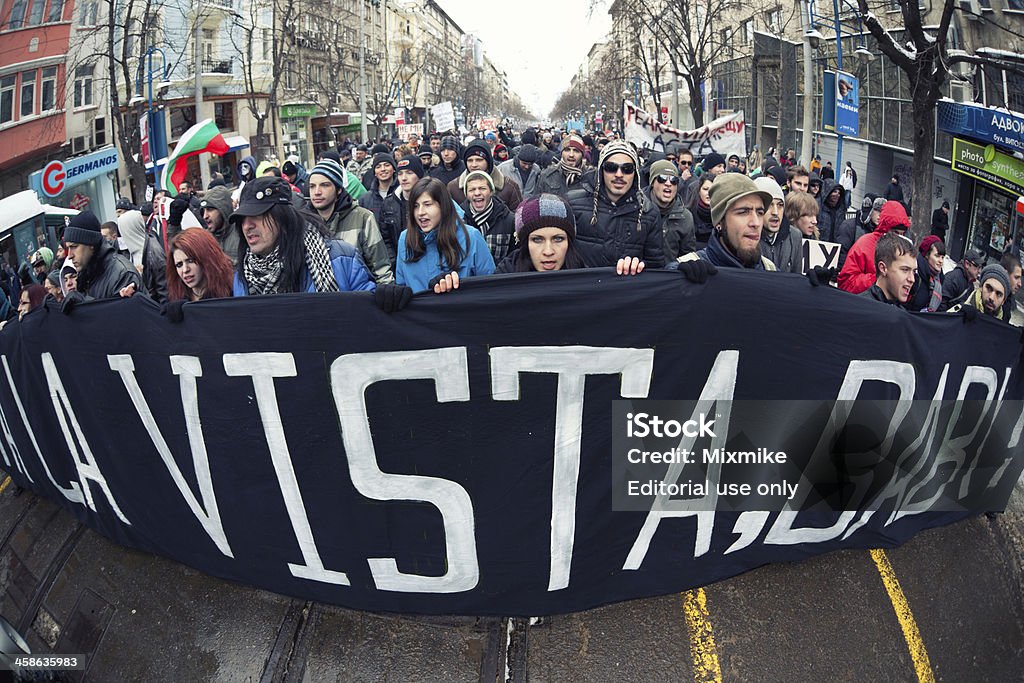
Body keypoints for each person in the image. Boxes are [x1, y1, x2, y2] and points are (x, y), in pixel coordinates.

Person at [231, 177, 376, 296]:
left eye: (257, 216)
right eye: (242, 218)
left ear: (282, 218)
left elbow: (367, 313)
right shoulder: (242, 275)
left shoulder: (340, 259)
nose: (247, 226)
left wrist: (384, 299)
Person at [566, 140, 664, 268]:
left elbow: (656, 265)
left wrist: (639, 266)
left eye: (627, 169)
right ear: (601, 170)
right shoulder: (573, 204)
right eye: (611, 168)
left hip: (626, 286)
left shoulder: (649, 213)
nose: (619, 175)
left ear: (635, 174)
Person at [396, 177, 495, 293]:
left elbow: (489, 288)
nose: (420, 212)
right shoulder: (405, 238)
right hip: (418, 311)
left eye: (427, 204)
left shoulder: (472, 237)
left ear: (443, 206)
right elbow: (401, 285)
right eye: (416, 206)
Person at [307, 158, 394, 284]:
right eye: (312, 186)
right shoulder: (303, 223)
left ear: (339, 190)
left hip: (357, 297)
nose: (317, 192)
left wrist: (387, 297)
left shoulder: (362, 218)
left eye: (325, 185)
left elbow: (381, 269)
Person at [676, 173, 776, 271]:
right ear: (719, 221)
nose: (756, 223)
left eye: (760, 213)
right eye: (743, 212)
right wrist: (680, 281)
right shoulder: (687, 270)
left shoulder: (770, 269)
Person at [61, 211, 144, 303]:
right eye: (68, 247)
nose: (69, 255)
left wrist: (85, 304)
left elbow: (124, 314)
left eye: (74, 246)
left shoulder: (122, 274)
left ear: (91, 244)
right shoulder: (87, 272)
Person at [837, 200, 910, 295]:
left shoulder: (903, 250)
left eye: (902, 234)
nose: (899, 237)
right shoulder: (865, 244)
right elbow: (846, 283)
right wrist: (878, 280)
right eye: (895, 232)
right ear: (885, 228)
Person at [447, 140, 523, 210]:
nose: (474, 165)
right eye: (470, 160)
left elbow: (517, 219)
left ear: (488, 161)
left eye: (479, 160)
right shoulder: (454, 188)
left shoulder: (509, 187)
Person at [460, 170, 516, 264]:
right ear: (467, 195)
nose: (477, 193)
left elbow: (514, 258)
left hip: (499, 276)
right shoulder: (459, 221)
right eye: (472, 190)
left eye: (482, 188)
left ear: (491, 192)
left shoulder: (509, 220)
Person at [645, 159, 696, 261]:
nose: (668, 183)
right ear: (652, 182)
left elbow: (687, 255)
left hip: (669, 274)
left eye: (673, 180)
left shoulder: (685, 217)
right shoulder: (636, 209)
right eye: (662, 178)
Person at [166, 228, 234, 302]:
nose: (185, 270)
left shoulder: (232, 293)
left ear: (206, 259)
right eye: (179, 265)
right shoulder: (176, 299)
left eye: (191, 261)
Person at [758, 177, 802, 273]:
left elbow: (797, 278)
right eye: (769, 205)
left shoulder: (795, 236)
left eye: (780, 205)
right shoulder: (748, 237)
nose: (775, 212)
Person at [860, 233, 917, 306]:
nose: (912, 279)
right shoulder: (859, 308)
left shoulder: (901, 314)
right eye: (905, 270)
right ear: (883, 268)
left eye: (914, 271)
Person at [836, 196, 883, 269]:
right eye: (877, 210)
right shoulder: (849, 226)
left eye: (882, 211)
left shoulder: (882, 231)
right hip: (851, 273)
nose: (880, 215)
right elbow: (842, 254)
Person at [199, 186, 241, 267]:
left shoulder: (242, 234)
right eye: (203, 211)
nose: (205, 216)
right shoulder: (204, 239)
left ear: (223, 209)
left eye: (210, 210)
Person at [905, 235, 946, 312]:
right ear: (927, 255)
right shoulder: (915, 274)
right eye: (937, 256)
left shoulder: (939, 279)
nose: (941, 261)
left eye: (942, 257)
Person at [358, 152, 398, 229]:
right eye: (378, 167)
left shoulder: (402, 195)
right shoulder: (365, 200)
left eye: (387, 165)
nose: (383, 169)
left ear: (393, 169)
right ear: (375, 172)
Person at [689, 175, 716, 251]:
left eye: (712, 190)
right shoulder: (689, 214)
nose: (709, 193)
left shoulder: (723, 215)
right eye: (705, 189)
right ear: (699, 191)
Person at [999, 253, 1021, 322]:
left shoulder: (1008, 299)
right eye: (1016, 277)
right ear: (1005, 274)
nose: (1020, 284)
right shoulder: (994, 298)